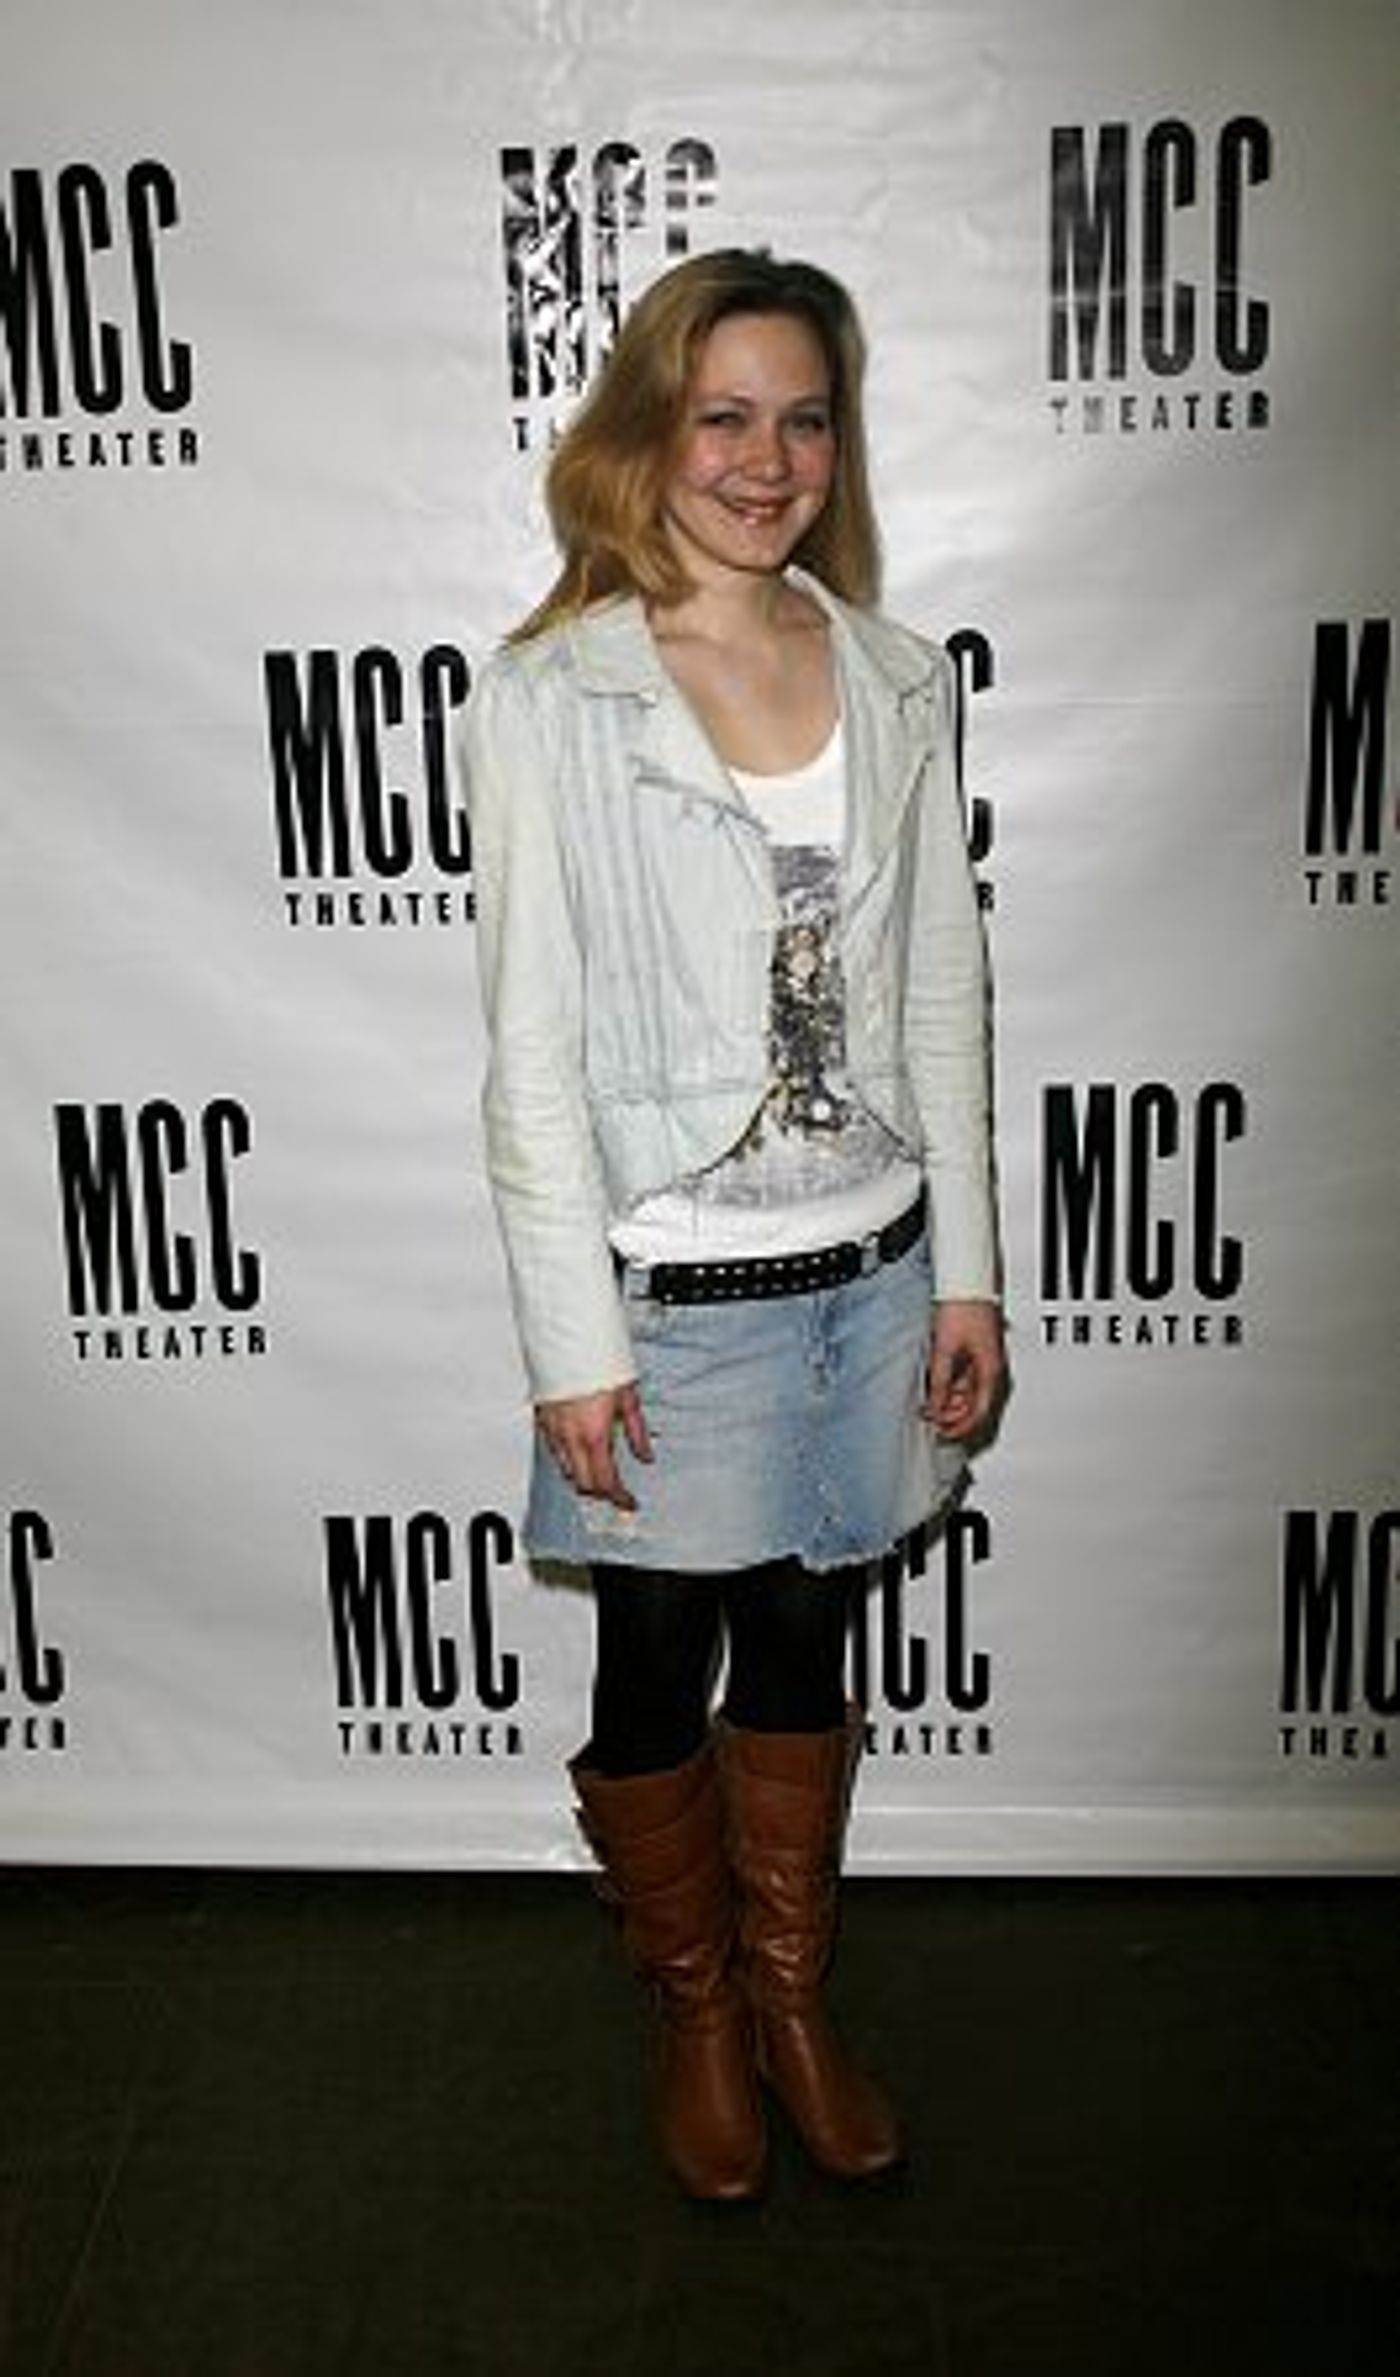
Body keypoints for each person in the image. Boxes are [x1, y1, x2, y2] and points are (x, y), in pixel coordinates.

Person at [463, 248, 1004, 2202]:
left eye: (804, 419)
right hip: (674, 1294)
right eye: (723, 417)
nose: (766, 461)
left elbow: (942, 993)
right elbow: (529, 1055)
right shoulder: (553, 696)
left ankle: (788, 1996)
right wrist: (571, 1342)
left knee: (798, 1641)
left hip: (869, 1269)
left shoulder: (898, 676)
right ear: (650, 432)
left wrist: (967, 1270)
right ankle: (693, 2006)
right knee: (649, 1666)